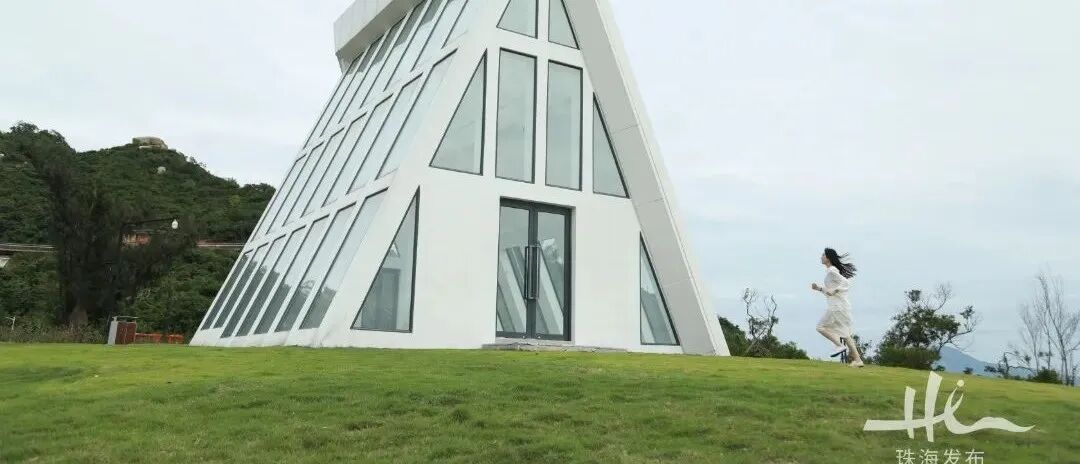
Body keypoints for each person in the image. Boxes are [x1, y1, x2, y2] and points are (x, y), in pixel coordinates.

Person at [810, 248, 864, 367]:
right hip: (840, 306)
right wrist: (819, 288)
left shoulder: (832, 271)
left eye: (823, 255)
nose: (821, 257)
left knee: (820, 327)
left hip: (836, 307)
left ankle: (839, 346)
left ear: (828, 258)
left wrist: (835, 290)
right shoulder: (831, 271)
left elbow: (846, 283)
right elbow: (830, 291)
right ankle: (858, 360)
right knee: (846, 334)